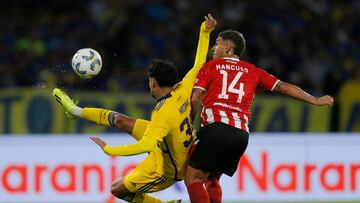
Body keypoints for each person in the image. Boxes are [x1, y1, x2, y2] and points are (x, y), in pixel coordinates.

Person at [52, 14, 217, 203]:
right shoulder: (183, 88)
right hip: (169, 144)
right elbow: (199, 64)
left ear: (153, 82)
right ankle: (76, 111)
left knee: (118, 189)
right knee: (123, 121)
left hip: (168, 168)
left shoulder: (163, 114)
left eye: (149, 80)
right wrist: (205, 31)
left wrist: (110, 150)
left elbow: (145, 145)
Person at [184, 29, 334, 203]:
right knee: (213, 178)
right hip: (240, 135)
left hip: (216, 128)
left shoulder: (211, 66)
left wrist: (189, 126)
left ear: (227, 48)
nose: (213, 48)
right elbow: (283, 87)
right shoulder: (253, 71)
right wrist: (315, 100)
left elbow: (194, 99)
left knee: (193, 178)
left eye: (217, 43)